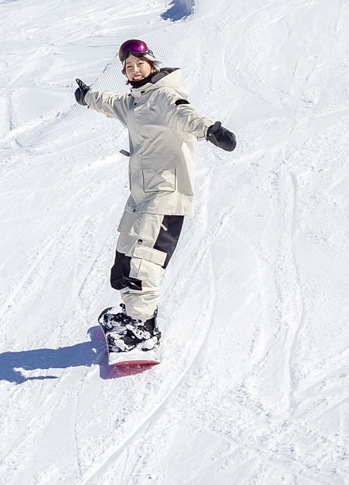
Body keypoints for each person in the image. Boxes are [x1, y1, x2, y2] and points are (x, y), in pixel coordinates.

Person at [73, 39, 236, 359]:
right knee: (124, 260)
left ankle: (143, 330)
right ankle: (132, 313)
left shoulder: (164, 95)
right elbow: (109, 102)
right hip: (141, 195)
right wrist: (87, 97)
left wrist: (211, 131)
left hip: (166, 192)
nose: (134, 71)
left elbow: (185, 114)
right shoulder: (133, 102)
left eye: (139, 64)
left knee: (144, 261)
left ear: (152, 65)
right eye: (128, 67)